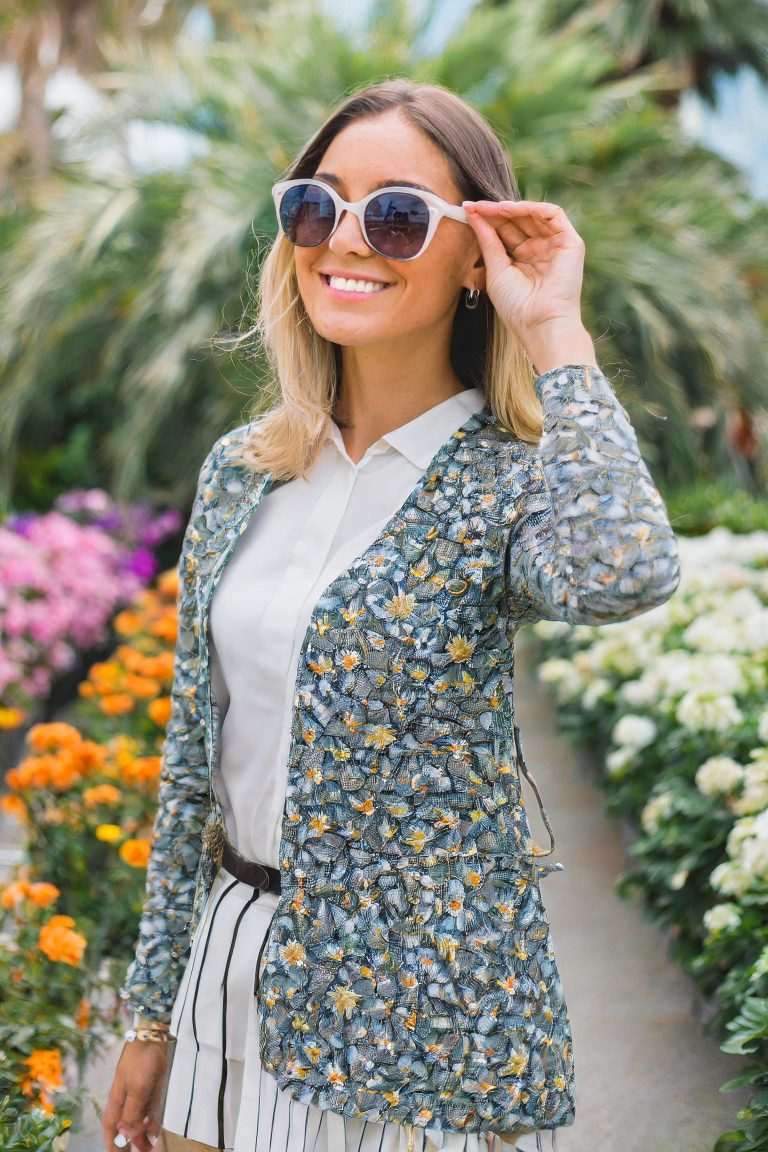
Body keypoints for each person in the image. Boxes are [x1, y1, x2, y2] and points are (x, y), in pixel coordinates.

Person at [102, 79, 681, 1152]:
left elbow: (626, 570)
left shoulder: (509, 481)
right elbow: (194, 766)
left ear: (477, 256)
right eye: (317, 207)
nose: (347, 241)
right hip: (228, 968)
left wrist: (555, 328)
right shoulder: (245, 471)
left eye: (400, 213)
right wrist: (149, 1012)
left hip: (426, 1011)